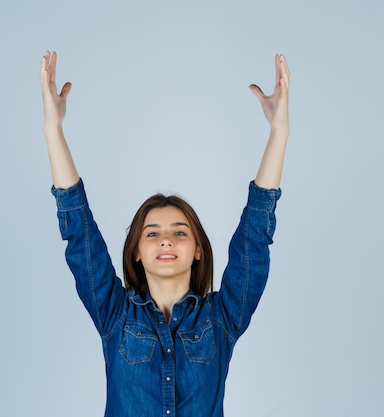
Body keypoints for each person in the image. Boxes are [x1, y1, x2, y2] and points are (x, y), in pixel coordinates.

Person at [40, 50, 290, 417]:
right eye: (152, 233)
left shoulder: (222, 318)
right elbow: (80, 232)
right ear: (137, 251)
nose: (166, 240)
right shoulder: (115, 315)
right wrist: (53, 128)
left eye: (179, 232)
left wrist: (279, 131)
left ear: (199, 250)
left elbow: (254, 235)